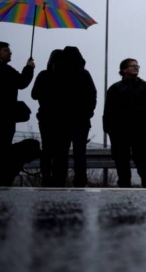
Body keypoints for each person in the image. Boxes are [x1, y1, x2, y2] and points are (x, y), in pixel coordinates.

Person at [103, 58, 146, 188]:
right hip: (119, 131)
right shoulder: (115, 88)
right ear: (124, 69)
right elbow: (108, 111)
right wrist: (109, 129)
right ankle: (124, 186)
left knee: (143, 160)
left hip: (139, 130)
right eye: (132, 65)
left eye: (137, 65)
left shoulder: (145, 87)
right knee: (121, 161)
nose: (136, 67)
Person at [49, 46, 97, 187]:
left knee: (60, 152)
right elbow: (92, 94)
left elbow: (50, 96)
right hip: (81, 120)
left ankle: (58, 181)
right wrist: (89, 112)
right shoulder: (84, 74)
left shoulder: (56, 73)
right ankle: (80, 181)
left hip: (60, 119)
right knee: (79, 152)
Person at [31, 49, 63, 186]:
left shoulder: (44, 75)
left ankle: (46, 178)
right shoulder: (66, 76)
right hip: (62, 117)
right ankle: (57, 178)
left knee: (47, 149)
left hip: (46, 117)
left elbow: (34, 94)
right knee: (60, 150)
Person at [0, 41, 35, 153]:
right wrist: (29, 68)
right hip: (5, 116)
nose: (10, 53)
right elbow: (22, 82)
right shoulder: (5, 70)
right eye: (6, 50)